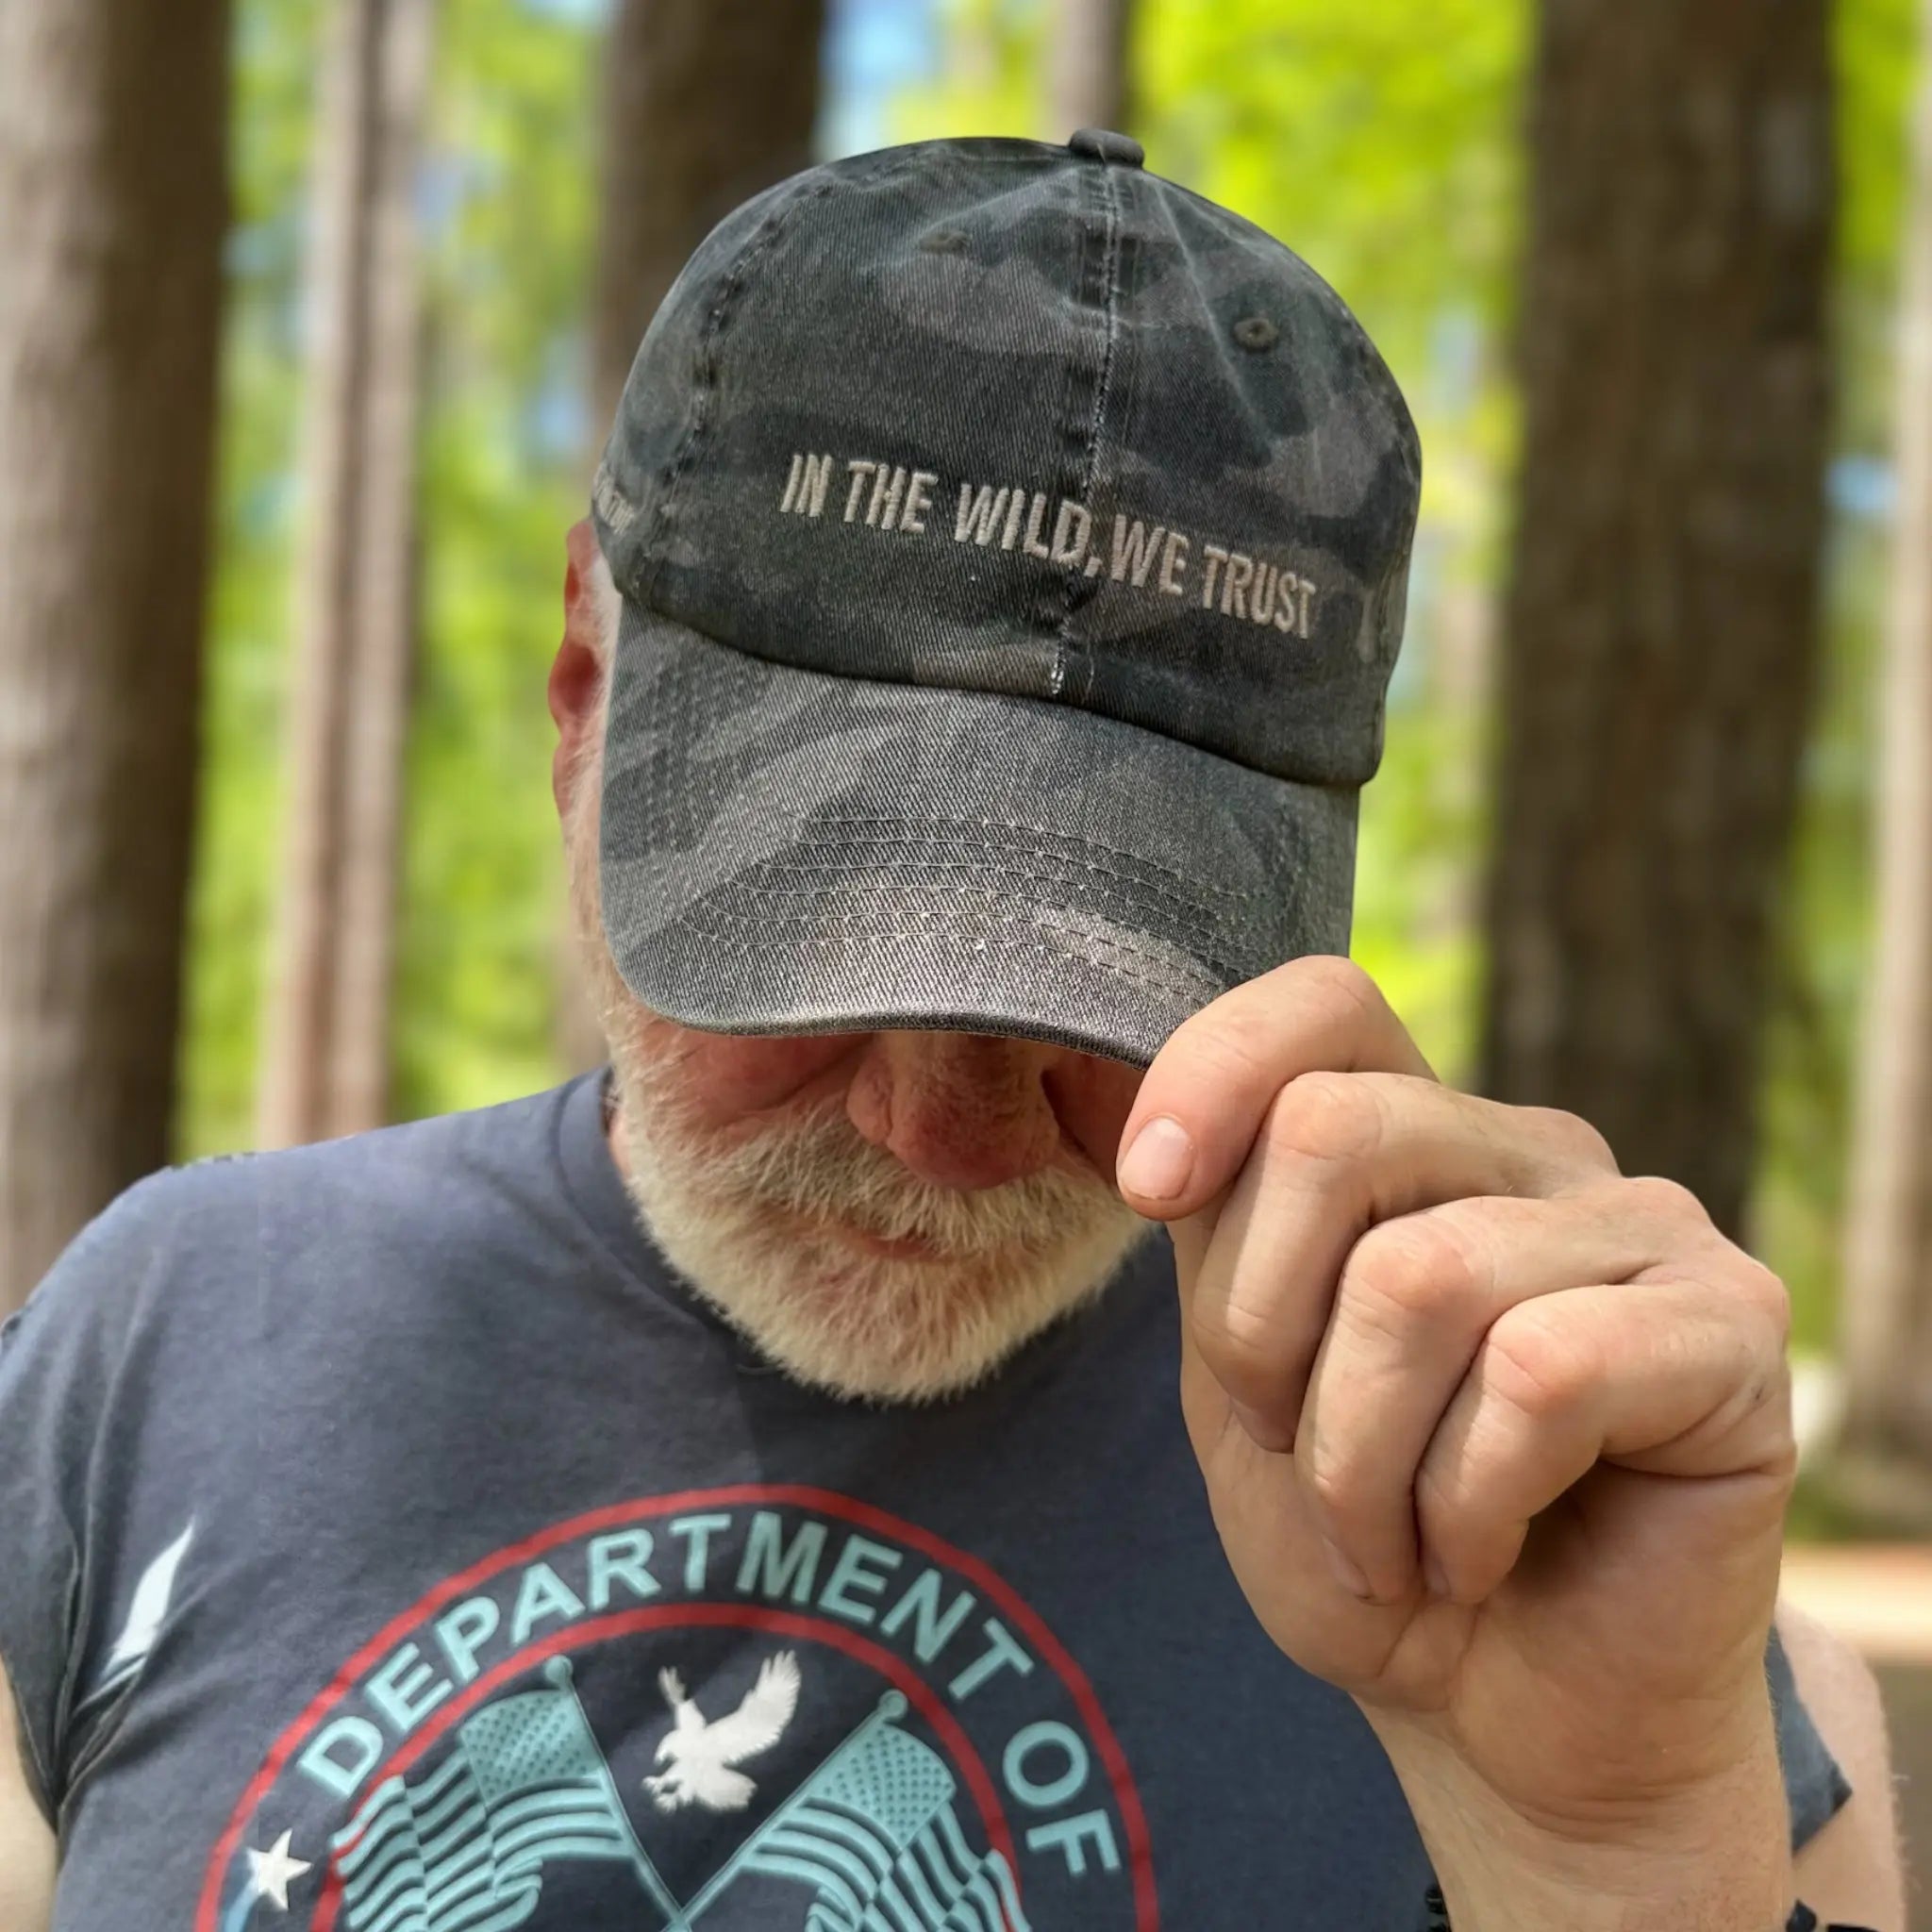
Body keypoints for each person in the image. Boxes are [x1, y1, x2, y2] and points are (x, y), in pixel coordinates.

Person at [0, 130, 1906, 1932]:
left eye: (1099, 982)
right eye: (811, 939)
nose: (943, 1127)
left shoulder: (1515, 1524)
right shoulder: (158, 1348)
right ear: (584, 689)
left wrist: (1620, 1856)